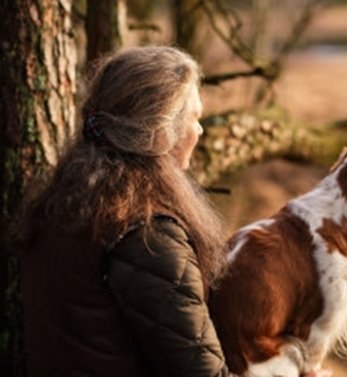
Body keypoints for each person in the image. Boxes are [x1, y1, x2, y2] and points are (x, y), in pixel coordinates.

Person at [14, 46, 241, 377]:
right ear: (163, 131)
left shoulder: (62, 204)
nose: (200, 131)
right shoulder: (147, 235)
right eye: (195, 118)